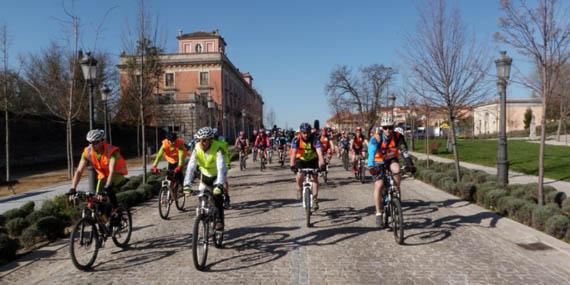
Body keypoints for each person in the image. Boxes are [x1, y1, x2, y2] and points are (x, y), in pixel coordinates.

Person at [67, 129, 128, 224]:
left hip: (117, 173)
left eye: (95, 143)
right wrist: (73, 188)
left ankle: (117, 211)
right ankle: (105, 221)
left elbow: (111, 171)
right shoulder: (87, 152)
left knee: (108, 190)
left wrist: (106, 188)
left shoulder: (111, 151)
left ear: (102, 141)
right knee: (96, 200)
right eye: (90, 143)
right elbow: (79, 171)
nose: (92, 145)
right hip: (103, 175)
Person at [367, 116, 416, 227]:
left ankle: (396, 190)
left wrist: (410, 164)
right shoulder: (376, 138)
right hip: (378, 162)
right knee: (379, 185)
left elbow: (404, 151)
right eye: (385, 128)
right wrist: (371, 166)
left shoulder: (398, 136)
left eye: (390, 127)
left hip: (391, 160)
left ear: (393, 127)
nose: (388, 130)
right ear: (382, 128)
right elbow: (371, 153)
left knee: (397, 169)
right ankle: (379, 213)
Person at [183, 127, 227, 230]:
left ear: (210, 140)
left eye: (204, 140)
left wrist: (220, 184)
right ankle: (203, 216)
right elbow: (191, 167)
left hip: (216, 176)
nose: (202, 142)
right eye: (199, 140)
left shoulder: (217, 148)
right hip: (204, 176)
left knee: (218, 198)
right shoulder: (197, 148)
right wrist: (186, 185)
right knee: (202, 197)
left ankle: (219, 221)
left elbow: (221, 167)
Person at [290, 123, 326, 210]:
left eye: (308, 133)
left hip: (313, 160)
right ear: (301, 133)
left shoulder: (315, 139)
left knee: (314, 178)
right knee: (299, 175)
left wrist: (322, 162)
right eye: (304, 133)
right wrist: (292, 164)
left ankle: (315, 199)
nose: (306, 135)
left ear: (310, 132)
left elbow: (319, 152)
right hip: (301, 160)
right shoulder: (296, 139)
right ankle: (299, 188)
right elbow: (293, 153)